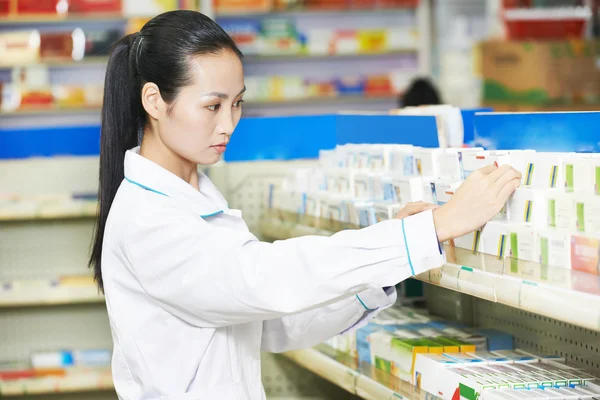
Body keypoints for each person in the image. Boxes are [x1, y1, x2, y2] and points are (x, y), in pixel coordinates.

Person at [90, 10, 522, 400]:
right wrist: (427, 230)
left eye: (237, 103)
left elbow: (273, 325)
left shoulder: (198, 199)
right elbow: (264, 279)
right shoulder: (147, 219)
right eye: (212, 106)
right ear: (154, 102)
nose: (228, 124)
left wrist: (390, 268)